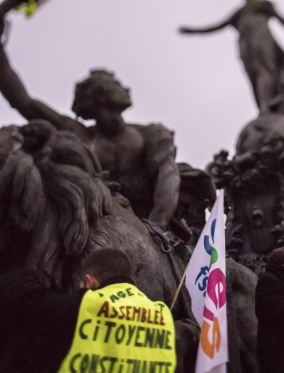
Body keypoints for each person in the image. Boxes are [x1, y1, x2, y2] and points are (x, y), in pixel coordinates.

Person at [0, 15, 179, 232]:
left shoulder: (150, 134)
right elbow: (25, 103)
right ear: (100, 93)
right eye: (116, 84)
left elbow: (167, 174)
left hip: (153, 229)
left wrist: (157, 225)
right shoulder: (80, 134)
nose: (126, 88)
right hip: (100, 227)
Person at [0, 248, 177, 373]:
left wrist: (30, 275)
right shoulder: (163, 316)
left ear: (90, 282)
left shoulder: (85, 306)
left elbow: (16, 291)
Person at [179, 0, 284, 120]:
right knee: (255, 76)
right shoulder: (240, 12)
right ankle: (264, 106)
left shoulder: (263, 4)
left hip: (262, 39)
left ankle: (267, 105)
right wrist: (193, 31)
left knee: (265, 71)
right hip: (246, 45)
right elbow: (217, 26)